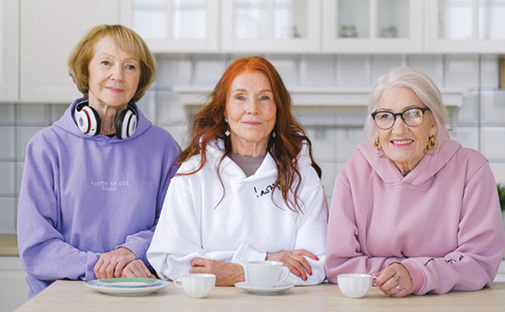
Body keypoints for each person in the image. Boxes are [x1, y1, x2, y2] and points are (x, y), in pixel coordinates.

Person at [17, 24, 181, 298]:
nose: (118, 75)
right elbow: (37, 246)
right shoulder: (46, 147)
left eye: (130, 67)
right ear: (86, 70)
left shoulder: (163, 147)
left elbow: (175, 226)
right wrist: (102, 266)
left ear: (140, 78)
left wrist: (132, 251)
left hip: (139, 292)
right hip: (62, 294)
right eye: (106, 62)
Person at [147, 56, 328, 286]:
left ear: (278, 110)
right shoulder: (193, 174)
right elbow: (170, 260)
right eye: (240, 98)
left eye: (264, 98)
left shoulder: (301, 177)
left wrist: (238, 272)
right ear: (224, 110)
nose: (252, 109)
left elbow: (314, 267)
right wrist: (266, 261)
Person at [325, 66, 505, 297]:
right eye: (386, 116)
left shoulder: (471, 169)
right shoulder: (353, 173)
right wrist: (400, 274)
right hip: (375, 303)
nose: (398, 129)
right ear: (376, 127)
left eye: (412, 114)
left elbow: (480, 262)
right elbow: (340, 265)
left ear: (434, 123)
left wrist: (416, 273)